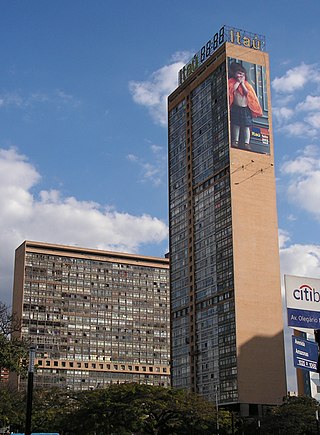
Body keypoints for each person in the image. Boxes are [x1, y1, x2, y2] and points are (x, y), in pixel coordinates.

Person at [228, 62, 262, 150]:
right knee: (236, 125)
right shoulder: (231, 82)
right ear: (235, 73)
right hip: (236, 108)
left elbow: (248, 93)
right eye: (238, 73)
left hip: (245, 109)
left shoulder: (246, 84)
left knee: (246, 126)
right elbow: (231, 90)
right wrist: (238, 83)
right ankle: (235, 141)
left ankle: (246, 143)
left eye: (242, 74)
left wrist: (242, 83)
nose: (240, 76)